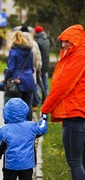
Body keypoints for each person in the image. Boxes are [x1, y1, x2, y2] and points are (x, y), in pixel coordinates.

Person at [40, 24, 85, 180]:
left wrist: (45, 108)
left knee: (74, 161)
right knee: (80, 161)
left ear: (77, 40)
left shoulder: (79, 55)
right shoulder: (74, 54)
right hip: (78, 111)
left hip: (75, 113)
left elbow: (63, 86)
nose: (64, 44)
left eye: (67, 40)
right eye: (62, 41)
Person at [0, 98, 48, 180]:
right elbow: (42, 129)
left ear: (6, 112)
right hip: (27, 164)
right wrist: (43, 118)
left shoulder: (4, 130)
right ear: (25, 110)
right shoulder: (31, 127)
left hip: (10, 165)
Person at [4, 31, 35, 121]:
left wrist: (6, 79)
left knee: (17, 106)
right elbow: (32, 68)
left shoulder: (13, 51)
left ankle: (19, 125)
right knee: (28, 104)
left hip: (17, 81)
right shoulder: (30, 51)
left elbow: (11, 68)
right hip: (29, 79)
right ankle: (28, 125)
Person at [22, 32, 42, 111]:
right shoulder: (34, 49)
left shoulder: (18, 49)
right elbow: (36, 62)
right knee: (30, 97)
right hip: (31, 74)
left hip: (20, 77)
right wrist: (37, 69)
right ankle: (34, 105)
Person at [34, 25, 50, 104]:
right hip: (46, 66)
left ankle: (38, 100)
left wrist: (38, 67)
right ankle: (46, 99)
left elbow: (38, 56)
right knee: (45, 83)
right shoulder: (47, 40)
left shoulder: (37, 42)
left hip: (40, 66)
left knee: (37, 83)